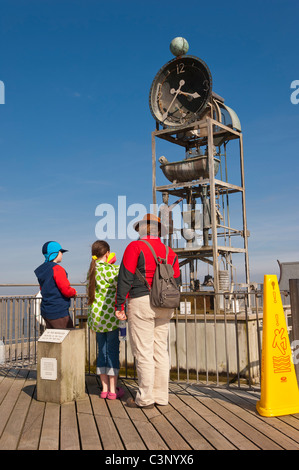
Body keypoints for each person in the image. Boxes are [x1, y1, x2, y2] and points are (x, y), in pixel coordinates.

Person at [115, 214, 180, 409]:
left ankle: (145, 397)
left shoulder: (135, 247)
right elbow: (177, 281)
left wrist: (119, 305)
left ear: (141, 230)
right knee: (160, 350)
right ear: (159, 230)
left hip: (142, 301)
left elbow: (125, 277)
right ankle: (161, 396)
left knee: (143, 351)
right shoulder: (170, 252)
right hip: (165, 304)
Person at [87, 240, 124, 400]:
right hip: (110, 316)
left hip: (96, 316)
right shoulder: (113, 269)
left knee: (101, 351)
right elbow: (123, 286)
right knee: (112, 351)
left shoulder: (92, 270)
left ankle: (104, 389)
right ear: (107, 253)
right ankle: (113, 391)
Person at [34, 241, 77, 329]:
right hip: (58, 311)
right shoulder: (57, 269)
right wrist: (74, 292)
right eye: (61, 252)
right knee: (68, 338)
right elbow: (65, 289)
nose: (62, 254)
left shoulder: (42, 270)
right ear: (55, 253)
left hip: (46, 310)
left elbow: (43, 289)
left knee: (53, 340)